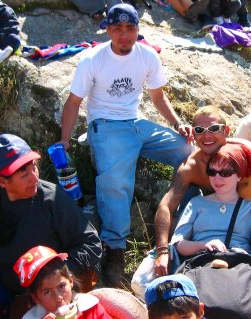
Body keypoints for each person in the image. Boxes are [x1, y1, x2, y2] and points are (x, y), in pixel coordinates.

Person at [58, 3, 193, 288]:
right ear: (107, 29)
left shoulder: (146, 56)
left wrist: (177, 123)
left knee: (187, 151)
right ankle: (114, 250)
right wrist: (65, 139)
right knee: (116, 182)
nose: (124, 35)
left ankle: (191, 210)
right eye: (117, 29)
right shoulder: (93, 59)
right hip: (105, 126)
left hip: (136, 124)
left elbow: (157, 97)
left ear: (137, 30)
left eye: (130, 28)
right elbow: (73, 103)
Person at [0, 134, 102, 315]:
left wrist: (57, 277)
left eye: (34, 167)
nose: (34, 178)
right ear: (3, 181)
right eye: (24, 174)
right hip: (14, 297)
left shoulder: (51, 198)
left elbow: (91, 244)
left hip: (58, 293)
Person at [153, 105, 251, 277]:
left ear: (226, 131)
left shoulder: (249, 153)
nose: (207, 135)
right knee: (177, 222)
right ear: (193, 134)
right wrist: (162, 251)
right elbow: (166, 206)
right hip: (214, 224)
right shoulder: (190, 167)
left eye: (214, 128)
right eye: (200, 130)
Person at [169, 143, 251, 319]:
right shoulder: (197, 203)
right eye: (212, 172)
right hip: (202, 265)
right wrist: (203, 245)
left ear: (239, 175)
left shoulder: (250, 207)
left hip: (239, 268)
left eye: (225, 173)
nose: (217, 178)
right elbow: (178, 243)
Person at [14, 246, 111, 319]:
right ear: (36, 298)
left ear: (71, 281)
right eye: (47, 292)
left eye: (61, 286)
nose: (58, 297)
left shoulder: (90, 308)